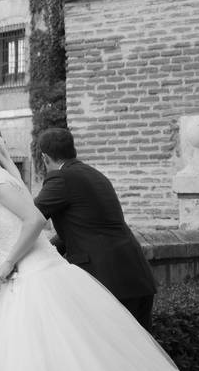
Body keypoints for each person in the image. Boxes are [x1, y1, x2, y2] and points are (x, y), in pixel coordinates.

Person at [0, 122, 197, 371]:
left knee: (42, 363)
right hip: (71, 272)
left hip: (35, 280)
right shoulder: (8, 180)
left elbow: (34, 219)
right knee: (94, 360)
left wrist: (7, 262)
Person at [34, 127, 157, 331]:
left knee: (111, 355)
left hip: (106, 281)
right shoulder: (94, 174)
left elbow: (31, 217)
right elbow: (82, 228)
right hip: (136, 276)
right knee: (141, 357)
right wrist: (46, 248)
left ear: (45, 158)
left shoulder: (61, 178)